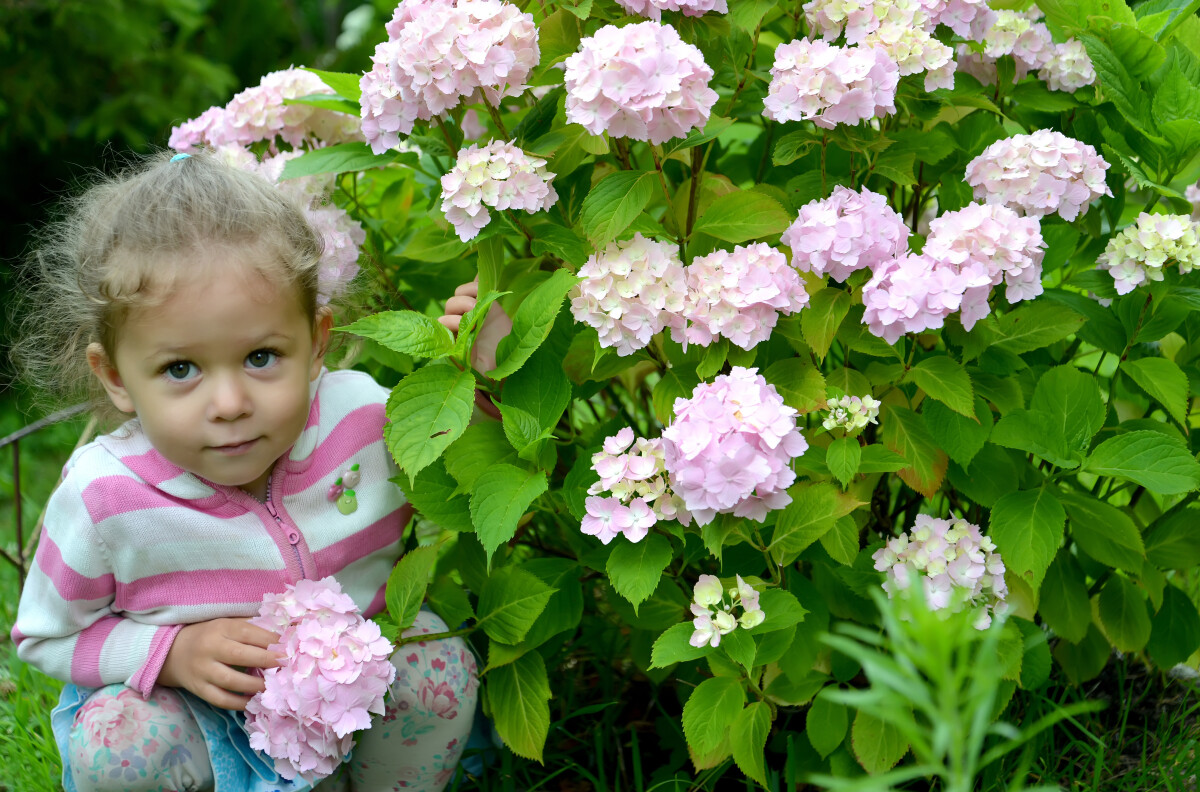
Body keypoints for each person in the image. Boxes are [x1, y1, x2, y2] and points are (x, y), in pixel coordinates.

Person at [10, 149, 493, 792]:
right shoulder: (105, 499)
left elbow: (470, 476)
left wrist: (483, 382)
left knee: (436, 662)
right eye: (180, 369)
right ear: (116, 377)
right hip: (194, 722)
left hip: (350, 691)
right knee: (118, 742)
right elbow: (43, 639)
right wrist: (169, 655)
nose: (231, 404)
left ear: (317, 342)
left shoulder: (367, 421)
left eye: (262, 356)